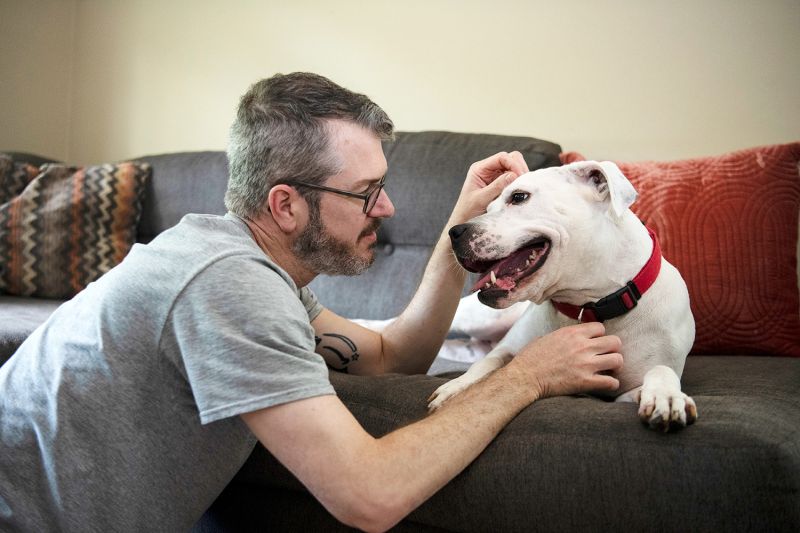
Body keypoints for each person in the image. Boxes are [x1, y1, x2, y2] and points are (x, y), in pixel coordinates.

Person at [0, 72, 623, 532]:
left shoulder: (247, 268)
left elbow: (389, 357)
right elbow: (370, 494)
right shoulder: (228, 285)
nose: (387, 208)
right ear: (286, 205)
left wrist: (454, 232)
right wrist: (527, 377)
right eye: (366, 192)